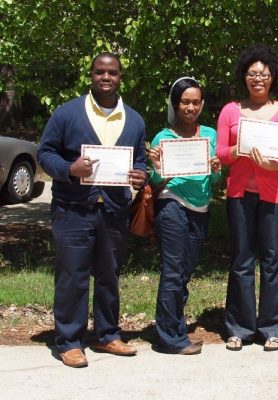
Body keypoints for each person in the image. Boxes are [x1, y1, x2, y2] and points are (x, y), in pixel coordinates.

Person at [37, 52, 146, 368]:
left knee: (109, 275)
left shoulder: (134, 119)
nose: (106, 77)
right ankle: (69, 341)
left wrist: (141, 173)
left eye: (112, 72)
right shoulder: (68, 113)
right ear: (91, 75)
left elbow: (139, 159)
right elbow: (44, 153)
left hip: (114, 210)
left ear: (120, 77)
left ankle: (108, 335)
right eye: (100, 72)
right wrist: (70, 168)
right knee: (72, 275)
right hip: (73, 209)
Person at [216, 44, 278, 352]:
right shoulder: (230, 111)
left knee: (272, 259)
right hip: (239, 195)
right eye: (252, 74)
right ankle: (238, 328)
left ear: (272, 77)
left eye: (263, 74)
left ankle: (274, 327)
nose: (257, 79)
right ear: (244, 77)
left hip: (274, 195)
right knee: (241, 260)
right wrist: (237, 150)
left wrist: (276, 165)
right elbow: (220, 154)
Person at [148, 77, 221, 355]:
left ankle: (176, 327)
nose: (190, 107)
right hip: (172, 206)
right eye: (185, 102)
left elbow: (214, 178)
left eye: (195, 102)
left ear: (201, 104)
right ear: (175, 104)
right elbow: (155, 182)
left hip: (200, 208)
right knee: (173, 272)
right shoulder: (163, 138)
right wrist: (156, 166)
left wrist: (216, 168)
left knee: (184, 273)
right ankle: (169, 338)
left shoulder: (210, 135)